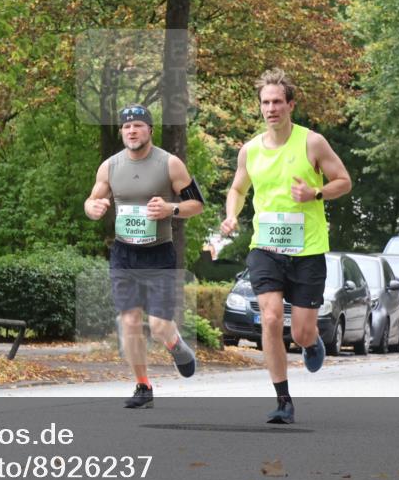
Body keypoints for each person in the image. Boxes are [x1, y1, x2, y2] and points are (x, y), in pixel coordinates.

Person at [220, 68, 351, 424]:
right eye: (265, 102)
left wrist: (316, 192)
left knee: (301, 330)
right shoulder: (249, 150)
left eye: (278, 101)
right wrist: (232, 215)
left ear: (291, 105)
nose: (271, 108)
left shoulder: (312, 142)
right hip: (265, 248)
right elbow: (237, 189)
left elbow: (344, 181)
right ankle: (283, 400)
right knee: (271, 318)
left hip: (307, 251)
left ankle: (311, 343)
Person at [85, 104, 205, 409]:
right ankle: (143, 385)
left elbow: (197, 205)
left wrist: (170, 209)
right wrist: (94, 208)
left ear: (150, 130)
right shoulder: (110, 166)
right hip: (124, 254)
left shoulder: (170, 164)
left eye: (138, 125)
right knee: (129, 321)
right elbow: (92, 200)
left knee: (161, 325)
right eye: (126, 127)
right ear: (122, 132)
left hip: (159, 253)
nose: (132, 131)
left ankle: (175, 344)